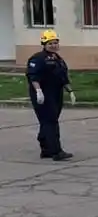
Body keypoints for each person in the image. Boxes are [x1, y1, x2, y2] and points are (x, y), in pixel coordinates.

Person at [26, 30, 75, 161]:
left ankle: (46, 148)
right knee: (51, 122)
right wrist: (38, 91)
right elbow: (33, 76)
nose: (53, 45)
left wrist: (70, 91)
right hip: (43, 94)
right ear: (44, 44)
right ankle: (56, 151)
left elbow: (63, 76)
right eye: (50, 43)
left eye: (55, 43)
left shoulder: (58, 58)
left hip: (56, 93)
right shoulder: (38, 58)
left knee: (47, 121)